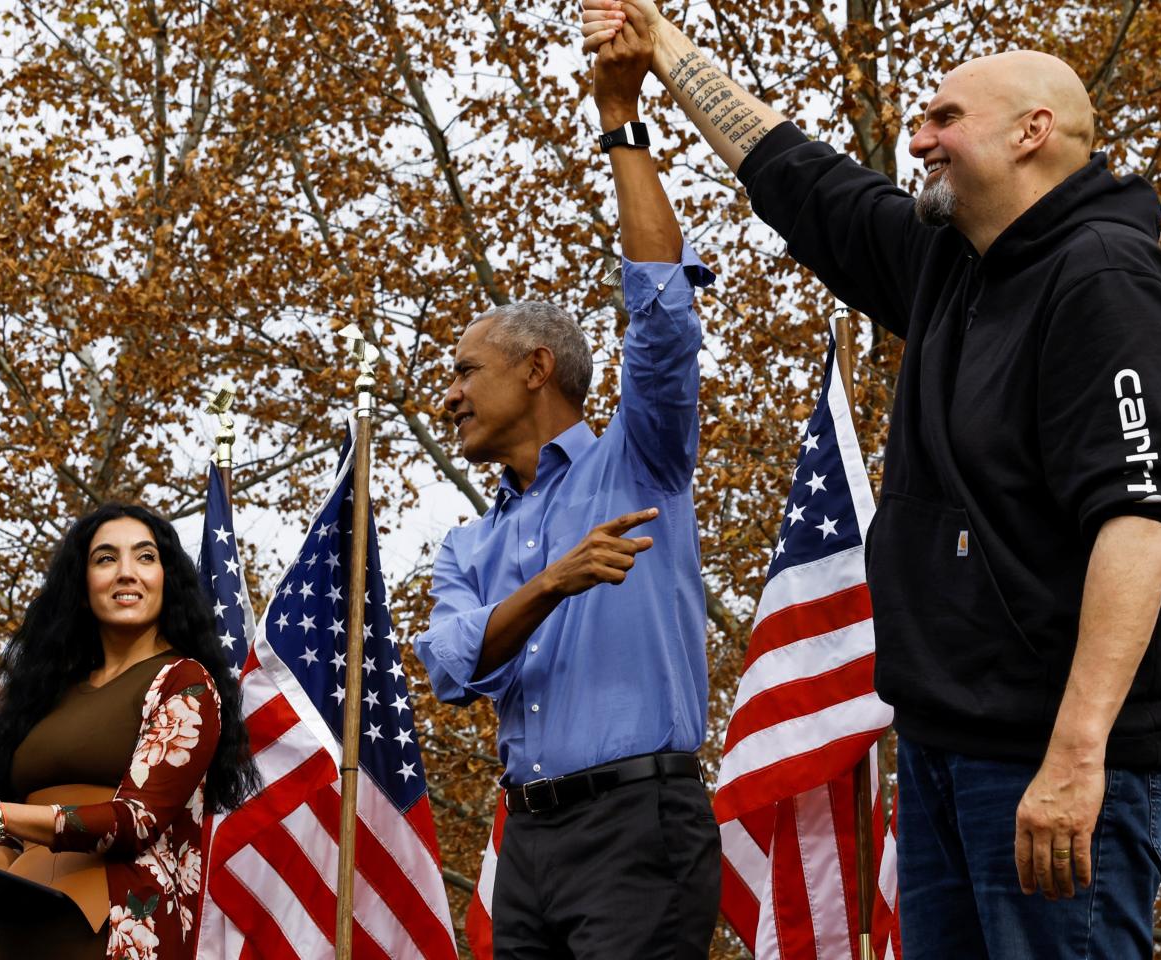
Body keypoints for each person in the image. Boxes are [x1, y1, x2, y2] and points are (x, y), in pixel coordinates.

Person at [579, 3, 1161, 957]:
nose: (915, 138)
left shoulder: (1106, 277)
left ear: (1032, 133)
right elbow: (796, 175)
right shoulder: (951, 266)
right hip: (944, 750)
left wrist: (1077, 753)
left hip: (1055, 763)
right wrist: (663, 48)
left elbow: (1141, 520)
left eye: (943, 118)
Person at [412, 14, 719, 960]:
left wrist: (620, 117)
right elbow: (452, 665)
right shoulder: (471, 545)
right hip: (528, 843)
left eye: (467, 371)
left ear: (538, 369)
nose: (451, 392)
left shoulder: (644, 459)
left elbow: (662, 307)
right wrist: (550, 584)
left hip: (640, 829)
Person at [0, 503, 258, 960]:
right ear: (81, 586)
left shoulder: (184, 681)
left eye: (146, 557)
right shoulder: (45, 692)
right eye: (106, 559)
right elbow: (15, 841)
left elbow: (136, 821)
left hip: (121, 931)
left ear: (168, 581)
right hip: (26, 933)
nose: (127, 573)